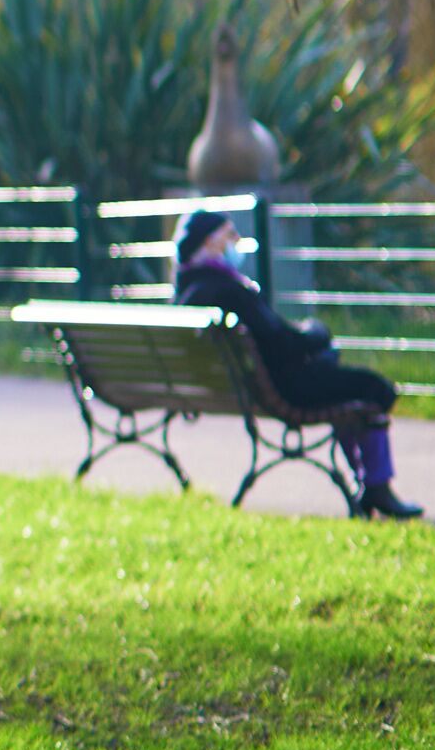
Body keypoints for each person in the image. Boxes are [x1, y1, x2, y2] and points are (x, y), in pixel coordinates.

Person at [174, 206, 421, 519]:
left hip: (249, 387)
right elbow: (283, 343)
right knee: (374, 389)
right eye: (230, 235)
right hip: (286, 388)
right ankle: (377, 487)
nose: (236, 242)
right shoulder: (228, 290)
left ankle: (372, 486)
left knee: (335, 371)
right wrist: (317, 333)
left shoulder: (188, 291)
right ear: (209, 243)